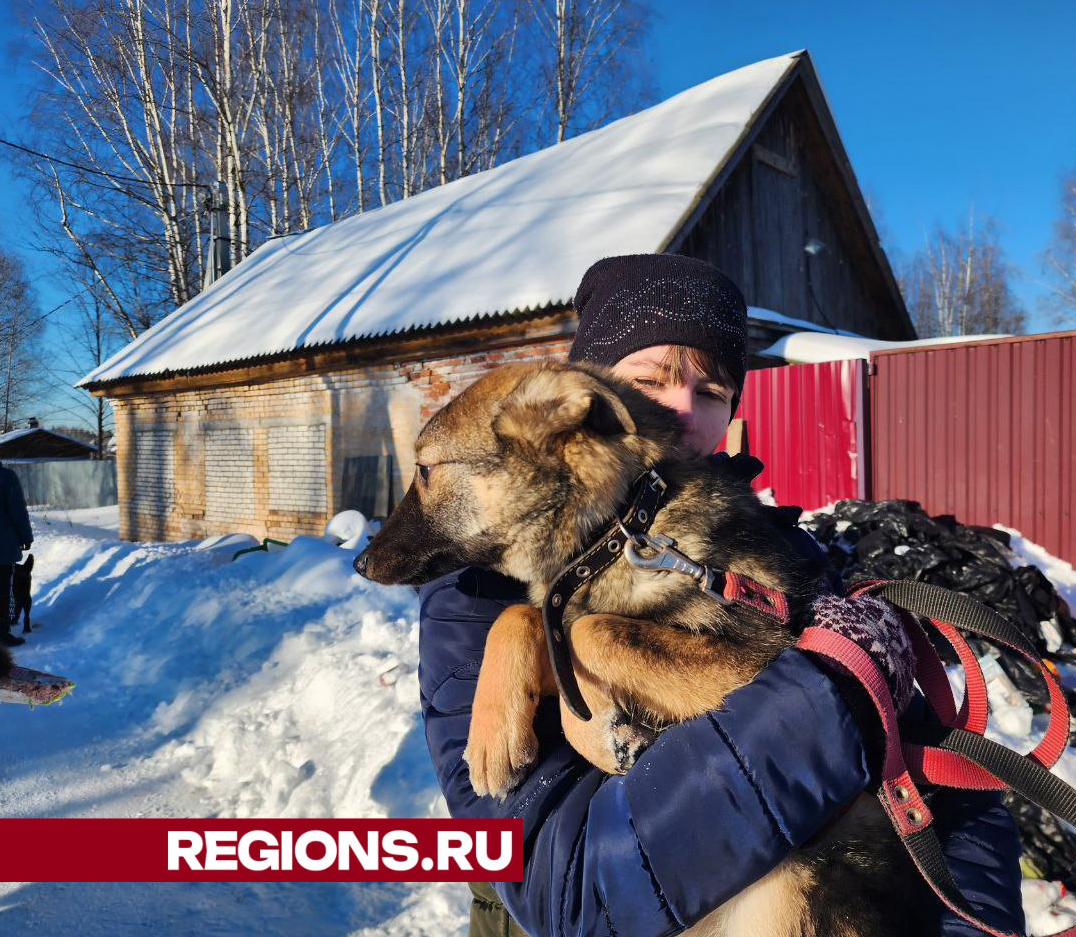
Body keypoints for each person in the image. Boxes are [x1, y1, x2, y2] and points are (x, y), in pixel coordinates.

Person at [418, 253, 1025, 936]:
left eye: (711, 390)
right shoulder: (476, 595)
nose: (681, 409)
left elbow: (959, 800)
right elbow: (574, 895)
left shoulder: (778, 554)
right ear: (577, 405)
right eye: (648, 378)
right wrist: (826, 698)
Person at [0, 461, 32, 648]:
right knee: (2, 592)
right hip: (2, 549)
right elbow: (18, 510)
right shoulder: (6, 477)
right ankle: (2, 634)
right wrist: (25, 536)